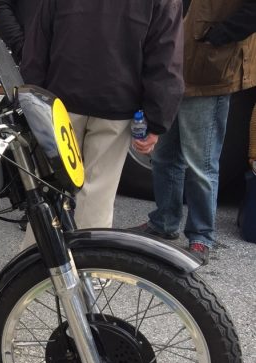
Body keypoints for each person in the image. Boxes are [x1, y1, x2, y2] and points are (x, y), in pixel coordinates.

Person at [19, 0, 184, 249]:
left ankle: (36, 260)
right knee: (97, 194)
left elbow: (38, 42)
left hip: (60, 101)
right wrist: (156, 120)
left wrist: (34, 98)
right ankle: (89, 262)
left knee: (50, 187)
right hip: (116, 103)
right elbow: (165, 56)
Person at [135, 0, 256, 263]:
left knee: (200, 164)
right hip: (172, 69)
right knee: (164, 157)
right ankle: (164, 222)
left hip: (209, 71)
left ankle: (201, 236)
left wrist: (221, 35)